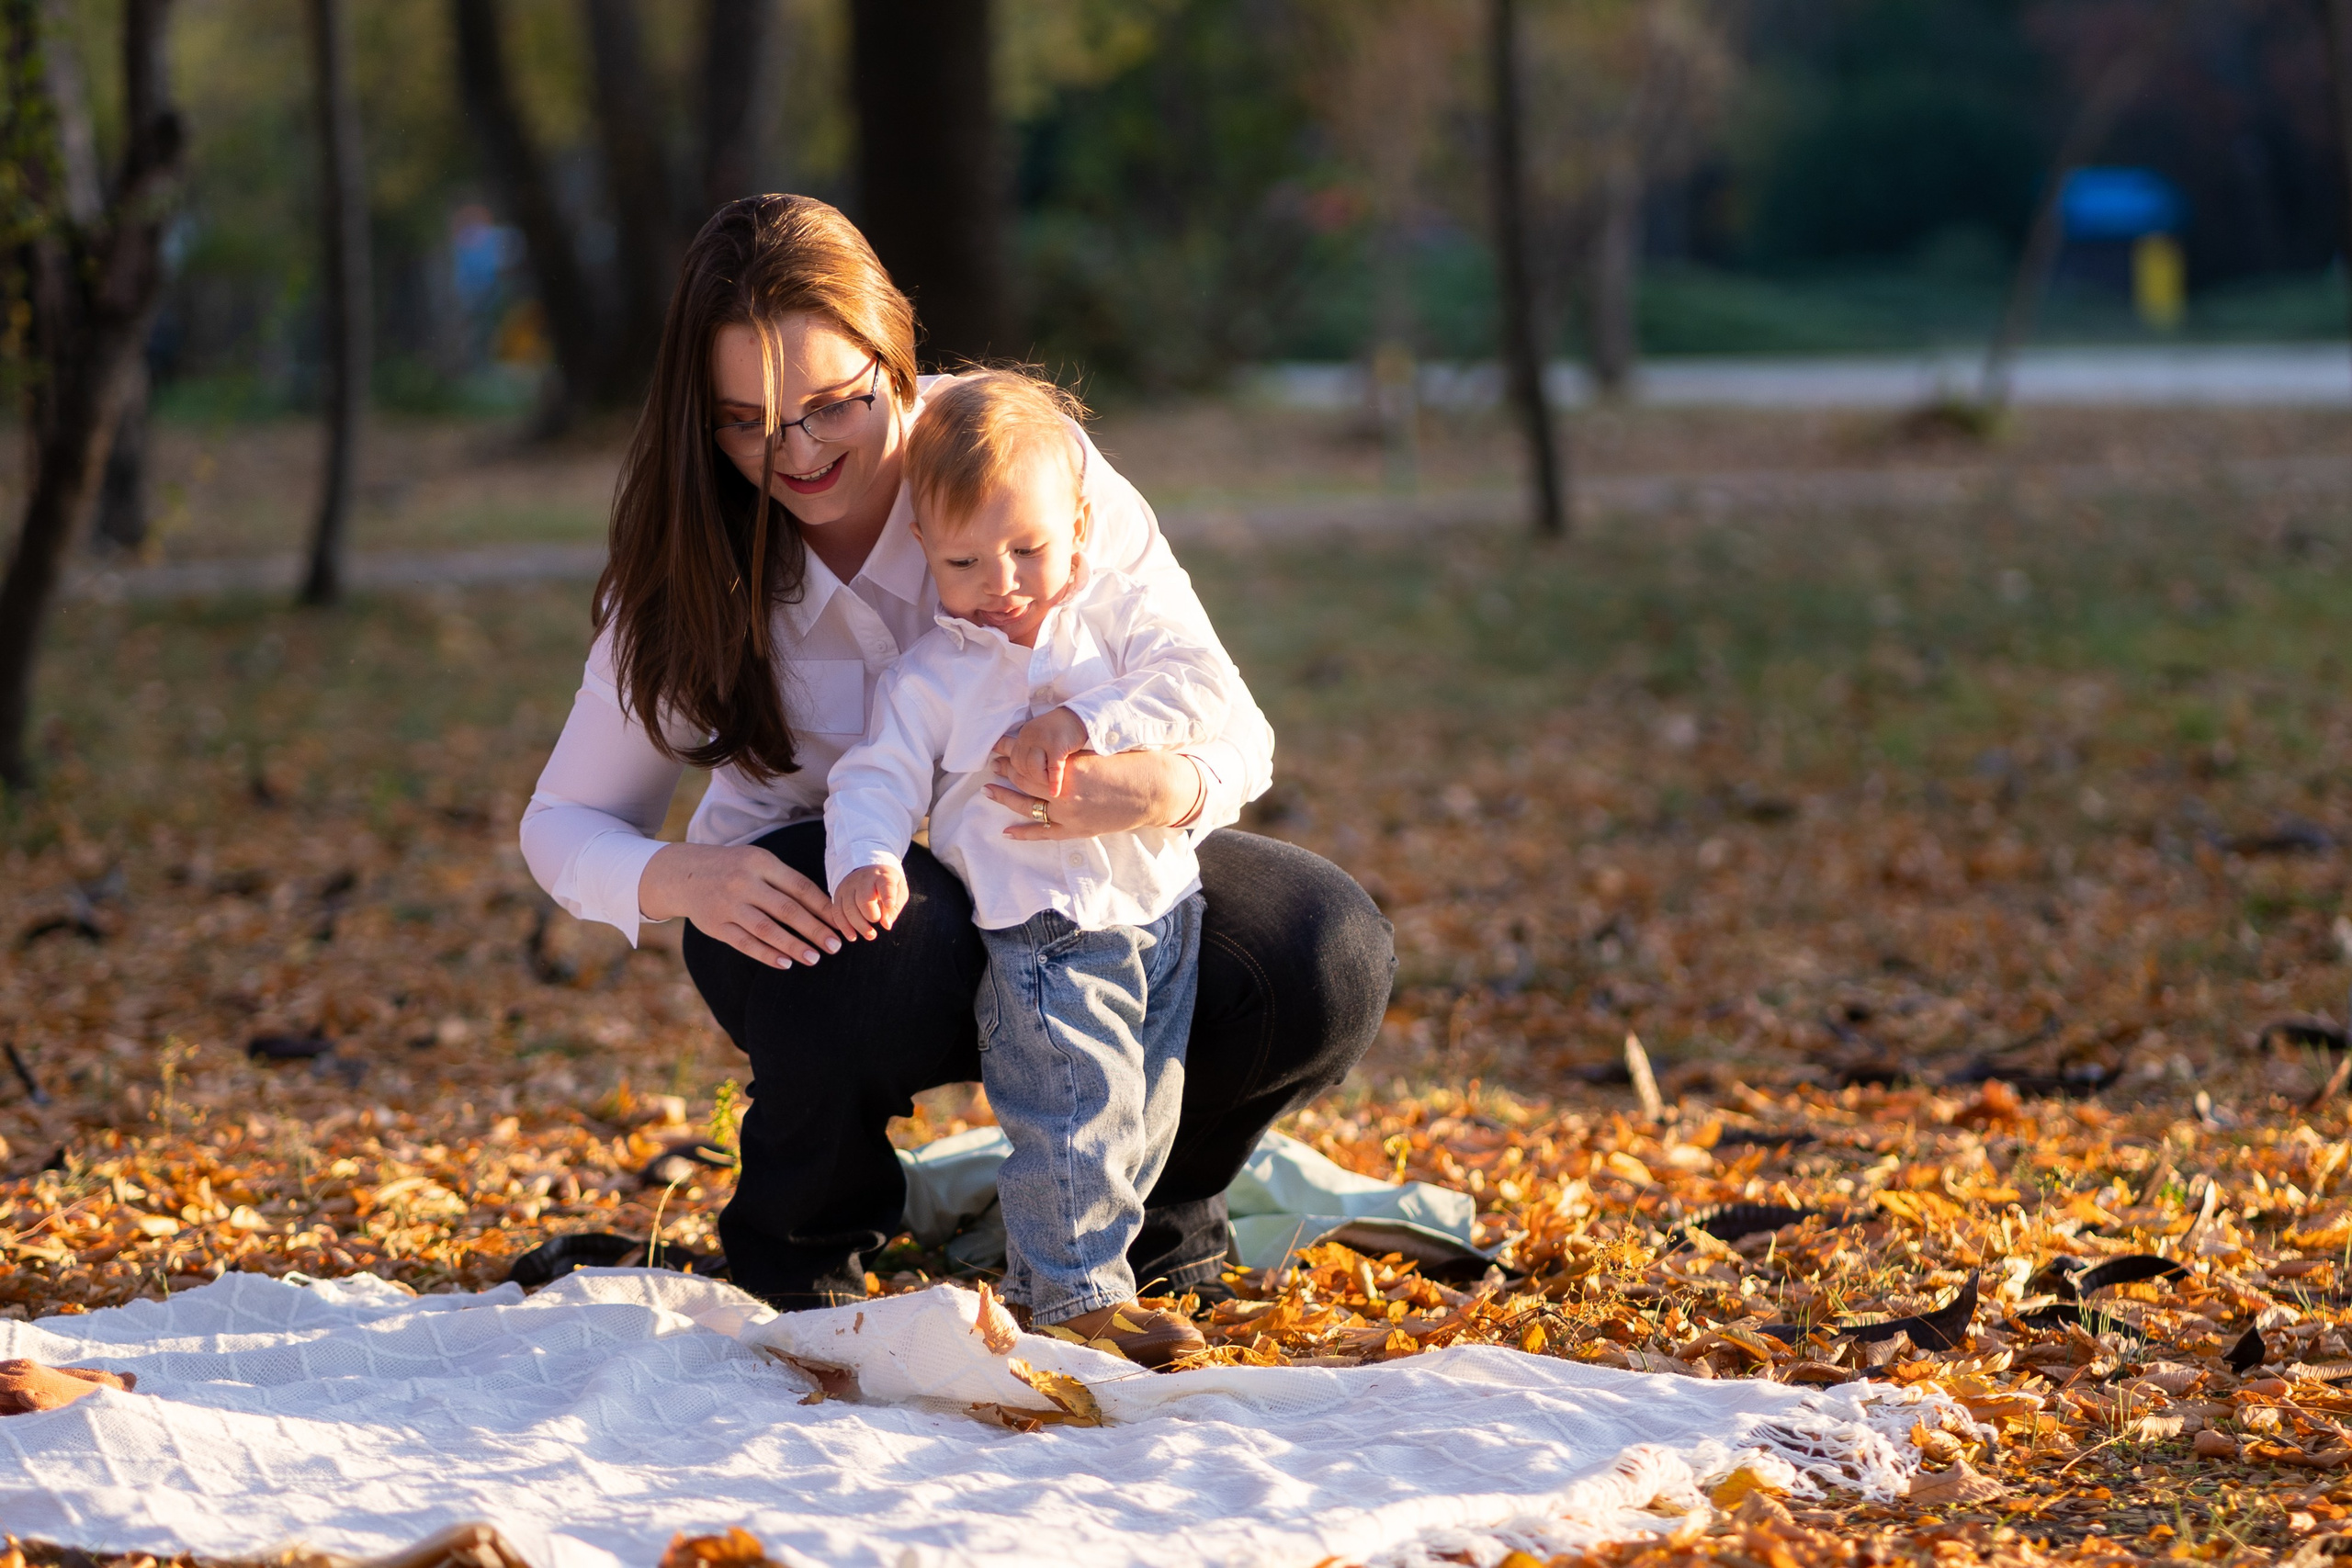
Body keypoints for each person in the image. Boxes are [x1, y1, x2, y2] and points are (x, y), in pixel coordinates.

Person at [518, 194, 1394, 1315]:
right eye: (745, 422)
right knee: (851, 933)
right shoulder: (691, 564)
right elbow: (562, 823)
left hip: (1076, 883)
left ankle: (1147, 1223)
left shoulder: (1027, 466)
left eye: (830, 405)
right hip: (861, 929)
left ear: (895, 354)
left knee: (1316, 949)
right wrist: (684, 878)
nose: (795, 453)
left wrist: (1160, 785)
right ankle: (804, 1252)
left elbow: (1232, 723)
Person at [826, 371, 1228, 1366]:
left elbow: (1197, 687)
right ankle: (1073, 1296)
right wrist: (869, 856)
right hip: (1043, 931)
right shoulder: (934, 678)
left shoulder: (1112, 632)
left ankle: (1052, 1265)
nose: (1000, 582)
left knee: (1141, 1109)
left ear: (1079, 528)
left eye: (1027, 550)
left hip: (1161, 905)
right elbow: (871, 778)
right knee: (1073, 1104)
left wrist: (1085, 721)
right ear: (925, 551)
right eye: (964, 560)